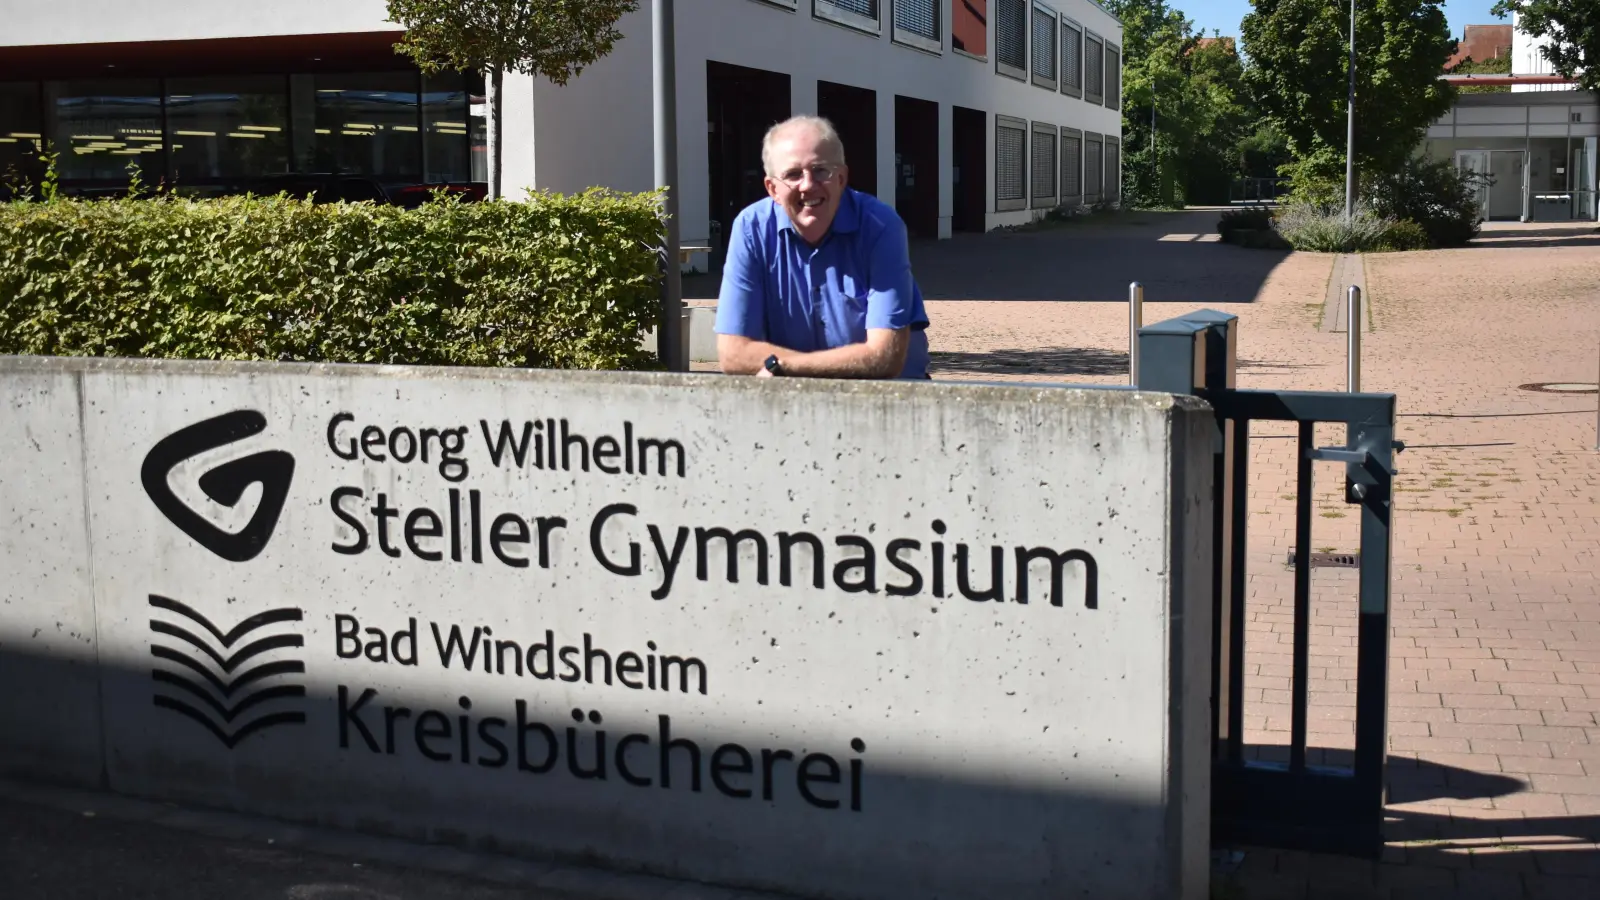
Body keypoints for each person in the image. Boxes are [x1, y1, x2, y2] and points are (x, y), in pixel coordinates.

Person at [714, 115, 931, 380]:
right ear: (772, 189)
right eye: (793, 174)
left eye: (821, 171)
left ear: (841, 178)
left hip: (888, 401)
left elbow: (883, 357)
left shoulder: (880, 225)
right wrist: (802, 369)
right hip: (793, 403)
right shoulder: (751, 228)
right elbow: (732, 353)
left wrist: (783, 366)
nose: (808, 185)